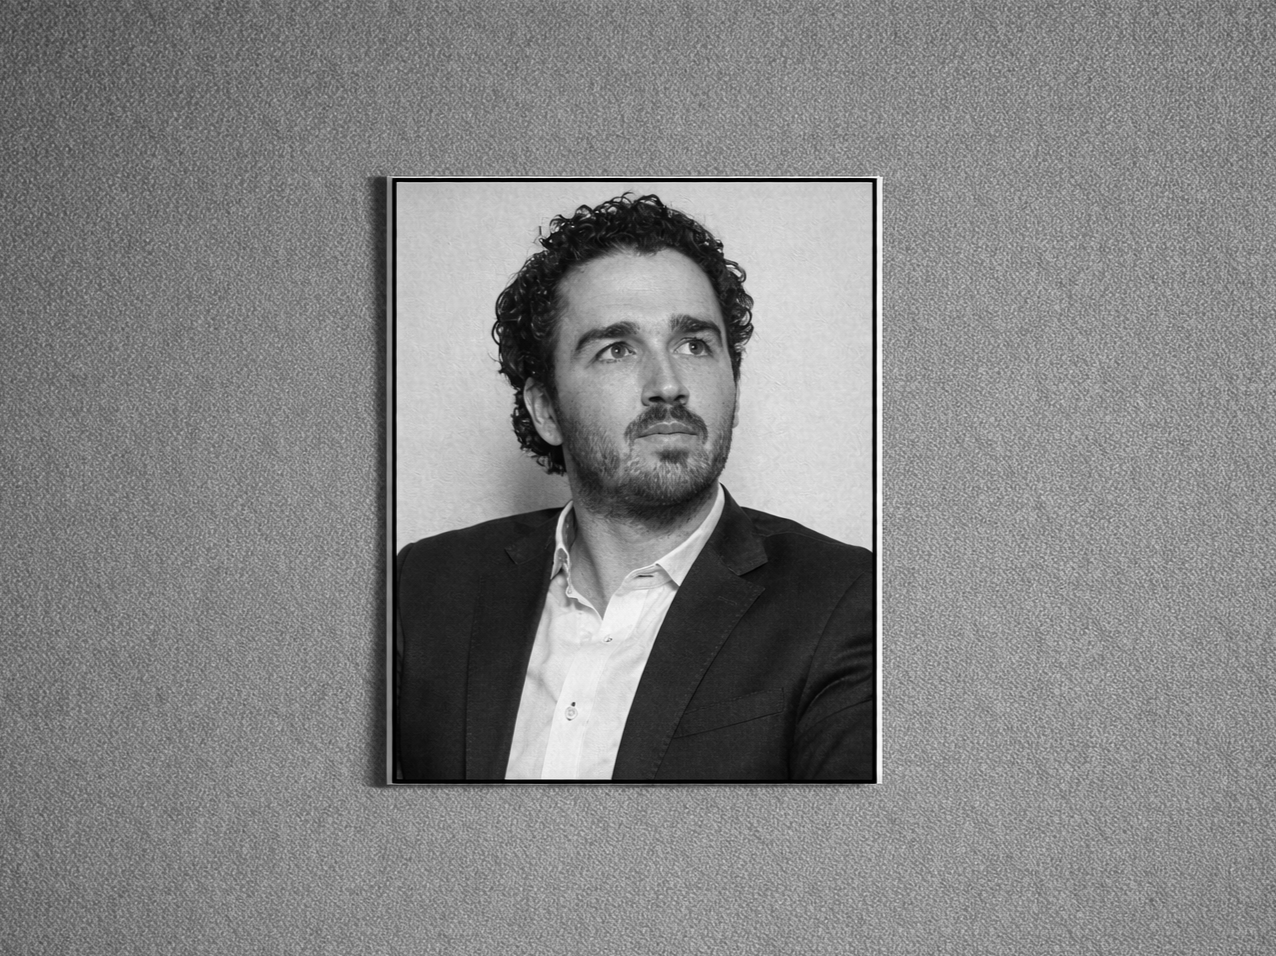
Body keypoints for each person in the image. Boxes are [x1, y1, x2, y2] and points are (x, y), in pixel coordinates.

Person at [394, 193, 875, 782]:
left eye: (694, 345)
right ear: (546, 409)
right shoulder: (423, 588)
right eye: (617, 350)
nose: (668, 384)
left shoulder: (851, 601)